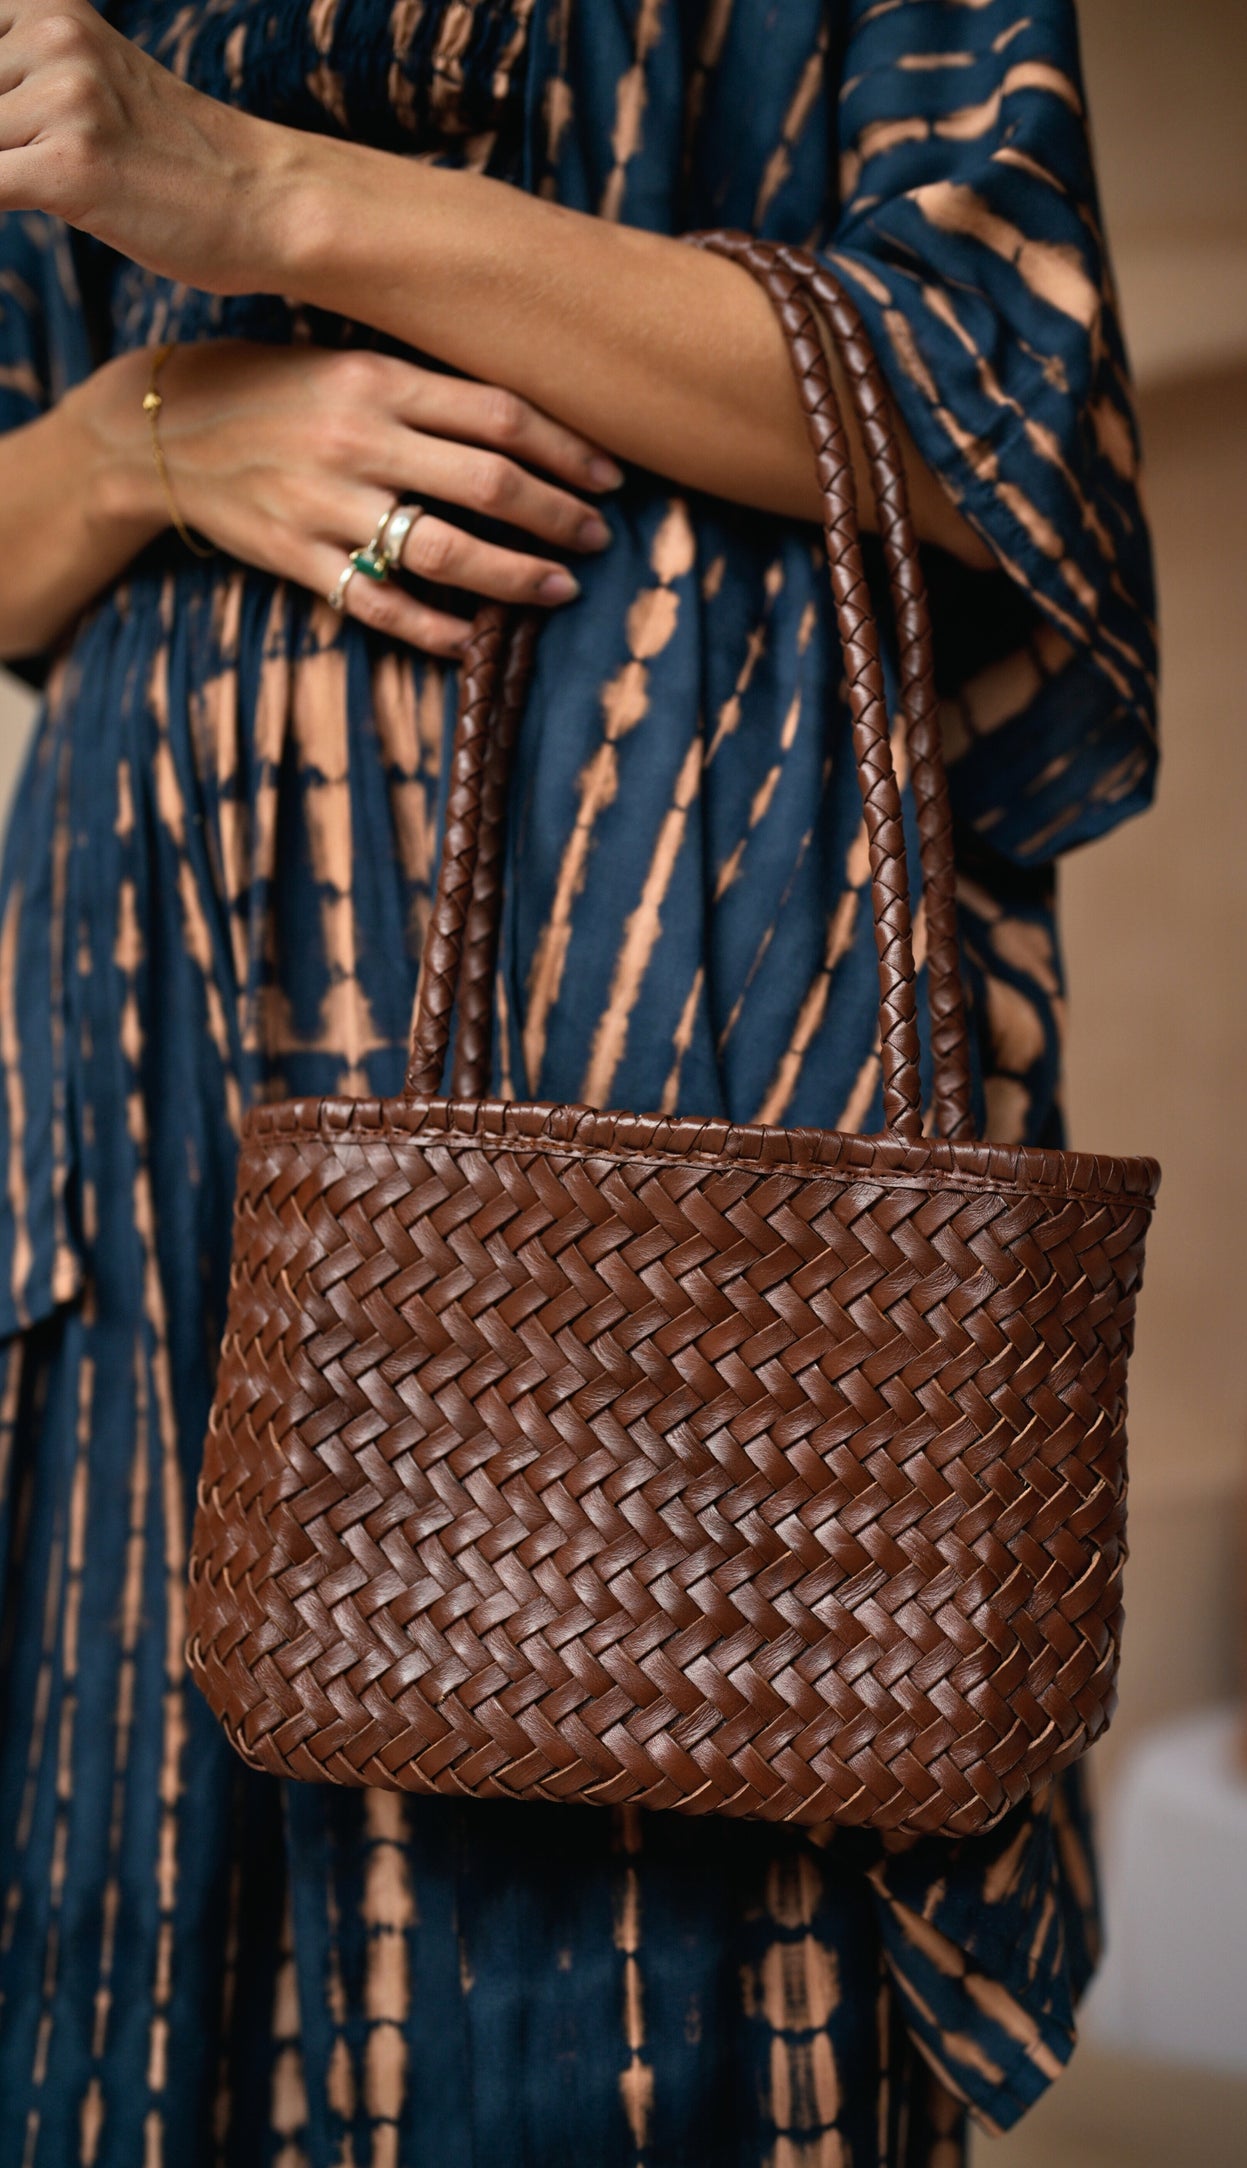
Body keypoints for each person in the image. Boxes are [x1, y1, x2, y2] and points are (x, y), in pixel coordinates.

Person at [0, 0, 1157, 2160]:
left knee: (663, 1933)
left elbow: (996, 420)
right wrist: (141, 437)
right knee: (133, 1890)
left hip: (672, 971)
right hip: (153, 1023)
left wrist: (266, 196)